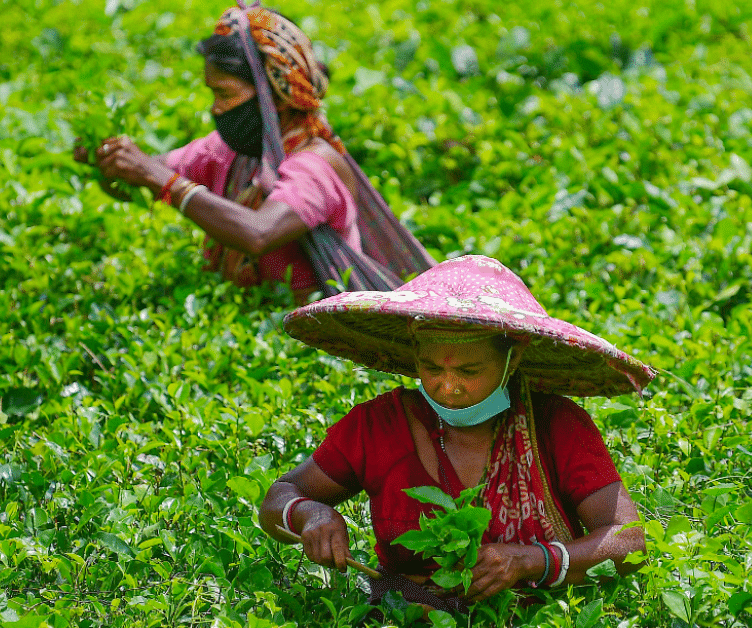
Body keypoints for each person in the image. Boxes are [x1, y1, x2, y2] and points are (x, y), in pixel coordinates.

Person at [263, 255, 656, 610]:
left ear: (512, 357)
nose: (448, 388)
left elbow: (628, 542)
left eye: (469, 372)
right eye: (432, 369)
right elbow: (280, 495)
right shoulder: (379, 426)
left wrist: (530, 560)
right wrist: (308, 514)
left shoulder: (557, 425)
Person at [74, 5, 413, 302]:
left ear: (275, 96)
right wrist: (110, 161)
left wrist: (161, 180)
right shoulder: (233, 151)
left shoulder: (314, 165)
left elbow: (258, 232)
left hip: (307, 340)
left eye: (225, 94)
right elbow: (149, 169)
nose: (217, 109)